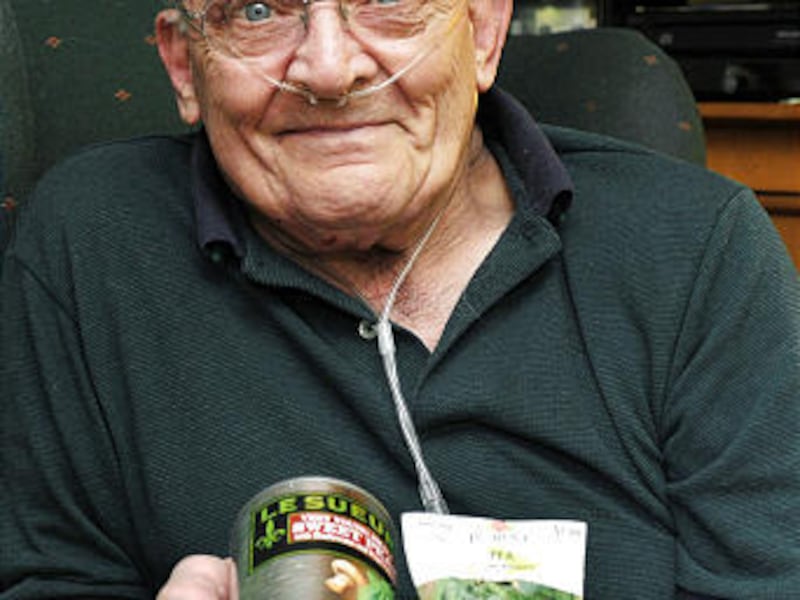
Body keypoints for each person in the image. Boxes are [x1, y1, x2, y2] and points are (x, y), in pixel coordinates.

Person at [1, 0, 798, 597]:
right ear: (183, 65)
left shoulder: (697, 250)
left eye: (386, 0)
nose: (328, 67)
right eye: (256, 11)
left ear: (483, 32)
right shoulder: (91, 243)